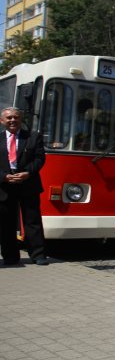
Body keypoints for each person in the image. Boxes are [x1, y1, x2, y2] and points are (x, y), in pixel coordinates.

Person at [0, 107, 48, 266]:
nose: (12, 120)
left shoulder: (34, 137)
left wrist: (27, 173)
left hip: (28, 184)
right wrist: (4, 176)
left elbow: (39, 158)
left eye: (16, 117)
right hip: (5, 186)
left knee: (32, 220)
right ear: (2, 121)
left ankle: (38, 255)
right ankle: (10, 257)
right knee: (6, 223)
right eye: (9, 118)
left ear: (21, 120)